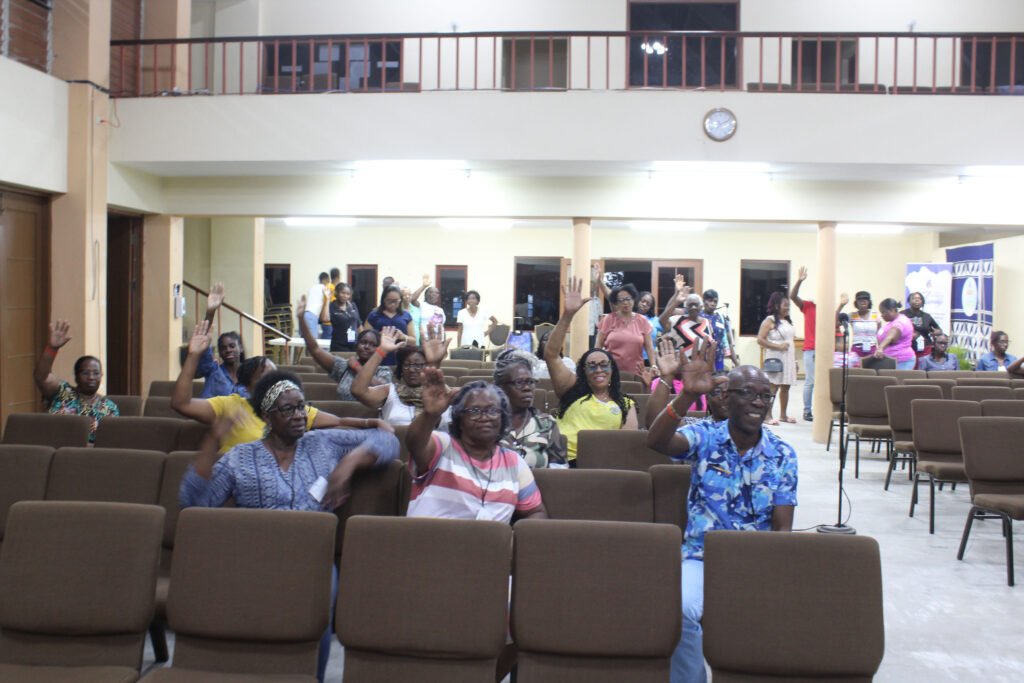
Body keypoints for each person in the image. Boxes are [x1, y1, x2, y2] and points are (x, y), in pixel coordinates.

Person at [179, 370, 399, 683]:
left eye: (301, 407)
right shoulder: (241, 457)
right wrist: (212, 440)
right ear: (267, 415)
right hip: (255, 557)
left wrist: (349, 464)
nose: (298, 415)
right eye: (288, 409)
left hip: (313, 558)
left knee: (318, 601)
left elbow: (388, 441)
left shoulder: (322, 443)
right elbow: (193, 502)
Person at [647, 360, 796, 683]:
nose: (758, 402)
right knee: (681, 608)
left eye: (765, 396)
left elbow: (783, 527)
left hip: (757, 558)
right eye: (748, 393)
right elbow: (657, 441)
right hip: (701, 556)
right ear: (727, 398)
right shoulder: (706, 437)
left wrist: (776, 573)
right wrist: (686, 395)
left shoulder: (783, 454)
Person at [174, 322, 388, 453]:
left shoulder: (291, 411)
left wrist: (373, 422)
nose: (275, 384)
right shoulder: (229, 405)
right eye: (266, 379)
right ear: (248, 387)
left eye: (276, 377)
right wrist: (194, 355)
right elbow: (181, 404)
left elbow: (339, 421)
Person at [405, 374, 548, 521]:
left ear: (503, 419)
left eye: (493, 411)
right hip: (431, 540)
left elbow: (535, 512)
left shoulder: (514, 463)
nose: (484, 417)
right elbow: (415, 443)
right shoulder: (443, 445)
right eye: (474, 411)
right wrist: (430, 415)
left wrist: (512, 539)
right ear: (460, 419)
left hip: (489, 543)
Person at [545, 278, 638, 465]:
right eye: (592, 365)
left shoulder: (626, 403)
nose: (598, 370)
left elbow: (628, 443)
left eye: (604, 365)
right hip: (562, 460)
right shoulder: (572, 388)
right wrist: (568, 315)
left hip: (602, 463)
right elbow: (551, 354)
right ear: (584, 371)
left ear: (612, 370)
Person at [33, 319, 119, 444]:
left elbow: (111, 442)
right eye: (85, 373)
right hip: (53, 449)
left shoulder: (109, 407)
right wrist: (52, 349)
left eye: (96, 373)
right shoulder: (62, 391)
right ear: (76, 376)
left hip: (89, 457)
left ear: (101, 375)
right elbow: (40, 376)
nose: (91, 377)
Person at [351, 327, 453, 430]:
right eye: (407, 365)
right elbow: (358, 391)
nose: (412, 370)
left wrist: (434, 363)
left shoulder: (443, 394)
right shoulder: (390, 391)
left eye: (418, 365)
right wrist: (381, 351)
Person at [295, 298, 392, 401]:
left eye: (372, 345)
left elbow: (380, 390)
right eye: (363, 342)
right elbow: (315, 350)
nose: (366, 346)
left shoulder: (383, 371)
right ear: (356, 345)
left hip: (370, 416)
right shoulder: (344, 367)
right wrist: (301, 319)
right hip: (344, 413)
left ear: (377, 349)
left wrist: (357, 367)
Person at [493, 349, 567, 469]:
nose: (527, 388)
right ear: (500, 386)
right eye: (519, 382)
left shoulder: (547, 424)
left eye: (530, 382)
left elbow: (560, 473)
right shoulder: (487, 421)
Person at [644, 338, 730, 429]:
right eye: (717, 392)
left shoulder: (746, 430)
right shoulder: (698, 428)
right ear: (708, 399)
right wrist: (667, 377)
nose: (723, 397)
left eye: (729, 392)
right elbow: (655, 425)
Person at [195, 283, 247, 399]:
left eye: (232, 346)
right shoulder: (213, 371)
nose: (228, 350)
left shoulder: (251, 375)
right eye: (223, 348)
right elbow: (203, 343)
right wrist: (210, 312)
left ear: (241, 348)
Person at [757, 291, 797, 425]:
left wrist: (795, 361)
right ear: (776, 305)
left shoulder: (787, 321)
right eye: (784, 305)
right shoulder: (769, 320)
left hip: (788, 358)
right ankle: (767, 416)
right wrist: (778, 347)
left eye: (788, 305)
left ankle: (783, 415)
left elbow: (790, 341)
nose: (787, 308)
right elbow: (760, 340)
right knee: (772, 387)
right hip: (775, 358)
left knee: (786, 386)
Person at [596, 283, 654, 375]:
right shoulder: (608, 319)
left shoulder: (642, 321)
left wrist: (653, 365)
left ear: (634, 299)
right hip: (611, 372)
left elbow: (649, 347)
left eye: (628, 299)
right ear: (616, 303)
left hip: (637, 372)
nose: (625, 303)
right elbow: (598, 346)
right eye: (621, 300)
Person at [788, 266, 817, 421]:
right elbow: (793, 296)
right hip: (811, 349)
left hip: (825, 351)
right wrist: (799, 281)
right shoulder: (809, 306)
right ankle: (807, 410)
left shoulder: (829, 311)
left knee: (825, 382)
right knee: (810, 381)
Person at [660, 277, 713, 359]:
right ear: (686, 307)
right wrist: (676, 301)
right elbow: (662, 321)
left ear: (701, 306)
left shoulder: (707, 323)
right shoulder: (678, 321)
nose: (693, 307)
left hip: (703, 368)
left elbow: (710, 348)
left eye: (696, 304)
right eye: (690, 305)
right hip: (683, 368)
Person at [364, 285, 415, 366]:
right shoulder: (374, 315)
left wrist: (403, 337)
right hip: (378, 357)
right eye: (389, 301)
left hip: (400, 358)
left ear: (400, 300)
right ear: (383, 300)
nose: (392, 304)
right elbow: (364, 338)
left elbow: (413, 341)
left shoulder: (406, 315)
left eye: (396, 301)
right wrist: (378, 336)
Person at [699, 288, 737, 372]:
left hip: (718, 359)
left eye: (715, 301)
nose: (713, 304)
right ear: (704, 301)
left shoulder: (721, 319)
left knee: (718, 382)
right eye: (710, 300)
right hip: (701, 360)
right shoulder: (697, 317)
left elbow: (728, 343)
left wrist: (737, 364)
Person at [875, 298, 916, 370]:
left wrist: (880, 348)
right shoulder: (892, 322)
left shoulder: (900, 322)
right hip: (890, 360)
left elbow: (891, 337)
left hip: (902, 360)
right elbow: (882, 337)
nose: (882, 315)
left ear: (891, 310)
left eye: (883, 312)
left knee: (897, 381)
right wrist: (879, 326)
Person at [901, 292, 942, 361]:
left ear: (922, 302)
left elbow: (939, 330)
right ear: (909, 301)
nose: (916, 300)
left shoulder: (927, 316)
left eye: (919, 299)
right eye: (914, 298)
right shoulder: (902, 315)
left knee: (923, 369)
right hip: (907, 348)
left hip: (925, 348)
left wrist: (935, 332)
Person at [325, 282, 361, 352]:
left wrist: (362, 340)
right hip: (339, 345)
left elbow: (359, 324)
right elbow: (325, 318)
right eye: (343, 293)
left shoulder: (353, 306)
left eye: (348, 294)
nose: (345, 296)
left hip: (354, 345)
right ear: (337, 293)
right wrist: (327, 300)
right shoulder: (332, 306)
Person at [846, 290, 880, 361]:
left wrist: (880, 349)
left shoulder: (875, 315)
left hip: (872, 348)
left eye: (865, 299)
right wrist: (841, 305)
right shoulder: (852, 315)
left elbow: (879, 335)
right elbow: (836, 322)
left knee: (871, 370)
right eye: (859, 299)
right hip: (856, 348)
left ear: (869, 302)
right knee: (856, 371)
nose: (862, 301)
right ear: (856, 302)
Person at [401, 275, 431, 344]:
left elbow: (420, 328)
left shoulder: (416, 310)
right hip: (402, 345)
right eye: (404, 295)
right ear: (400, 297)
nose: (407, 297)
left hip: (416, 344)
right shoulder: (397, 310)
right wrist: (423, 286)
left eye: (409, 294)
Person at [637, 290, 663, 361]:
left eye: (648, 304)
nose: (644, 304)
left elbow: (662, 334)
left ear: (650, 308)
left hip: (650, 359)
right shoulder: (630, 316)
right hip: (632, 358)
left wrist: (659, 339)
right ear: (638, 300)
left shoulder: (655, 320)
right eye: (643, 301)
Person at [305, 272, 332, 340]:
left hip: (304, 314)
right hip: (312, 316)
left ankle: (296, 351)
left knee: (302, 339)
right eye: (328, 281)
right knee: (312, 341)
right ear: (326, 280)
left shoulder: (313, 287)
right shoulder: (324, 288)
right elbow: (327, 302)